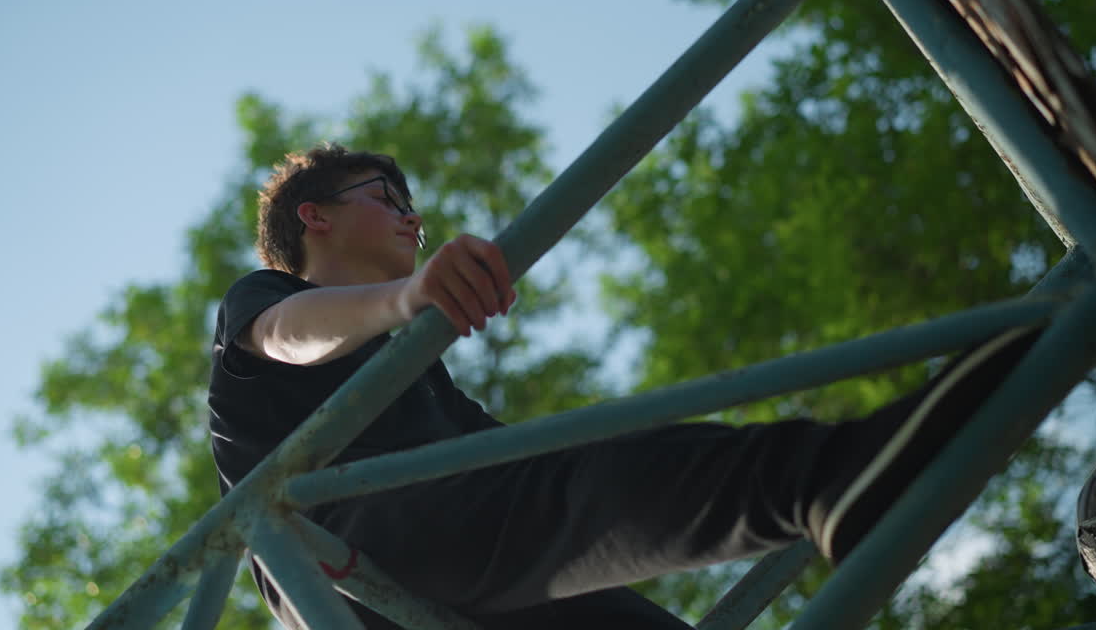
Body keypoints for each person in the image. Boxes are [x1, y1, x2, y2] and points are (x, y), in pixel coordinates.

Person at [208, 143, 1045, 629]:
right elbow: (288, 336)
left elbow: (510, 467)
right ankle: (823, 478)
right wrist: (408, 295)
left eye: (413, 208)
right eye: (386, 198)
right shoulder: (267, 301)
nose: (411, 218)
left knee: (595, 535)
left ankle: (836, 475)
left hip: (456, 574)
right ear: (313, 217)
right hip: (348, 574)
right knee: (572, 477)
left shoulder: (419, 377)